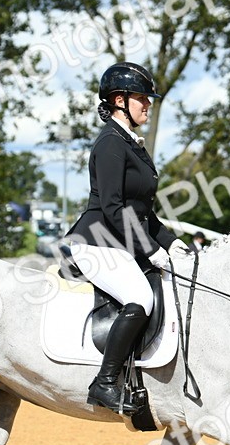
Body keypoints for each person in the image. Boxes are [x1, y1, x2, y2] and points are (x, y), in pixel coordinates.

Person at [64, 61, 191, 415]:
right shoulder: (110, 144)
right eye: (141, 98)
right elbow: (114, 207)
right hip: (95, 241)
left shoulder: (133, 145)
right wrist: (149, 250)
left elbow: (144, 213)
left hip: (119, 240)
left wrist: (171, 243)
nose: (148, 104)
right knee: (139, 297)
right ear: (119, 100)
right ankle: (104, 382)